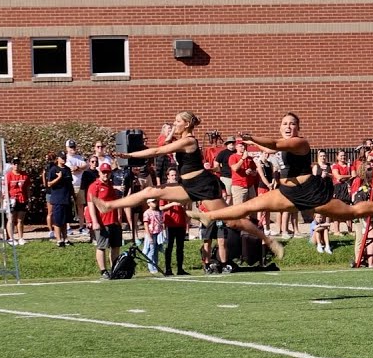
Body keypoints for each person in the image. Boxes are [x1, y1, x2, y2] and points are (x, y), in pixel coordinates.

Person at [90, 111, 286, 260]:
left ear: (186, 124)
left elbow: (158, 150)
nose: (174, 125)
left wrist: (130, 156)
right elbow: (163, 143)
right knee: (150, 191)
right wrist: (168, 136)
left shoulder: (189, 141)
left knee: (232, 220)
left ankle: (267, 239)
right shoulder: (181, 139)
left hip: (202, 184)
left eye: (177, 122)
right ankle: (108, 205)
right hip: (187, 185)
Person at [189, 114, 373, 236]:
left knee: (349, 213)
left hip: (309, 190)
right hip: (287, 191)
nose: (288, 126)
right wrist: (252, 145)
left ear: (298, 128)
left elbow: (276, 143)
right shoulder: (281, 144)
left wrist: (254, 138)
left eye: (292, 124)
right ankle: (211, 216)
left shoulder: (300, 142)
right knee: (251, 206)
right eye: (285, 123)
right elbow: (272, 147)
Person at [87, 164, 123, 279]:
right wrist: (94, 221)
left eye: (107, 172)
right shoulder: (94, 186)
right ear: (99, 173)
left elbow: (114, 203)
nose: (105, 174)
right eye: (103, 172)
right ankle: (103, 270)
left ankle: (114, 268)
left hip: (113, 220)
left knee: (115, 246)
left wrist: (117, 217)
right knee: (102, 246)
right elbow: (90, 204)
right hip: (103, 221)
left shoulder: (110, 185)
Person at [44, 153, 73, 247]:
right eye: (62, 158)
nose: (63, 159)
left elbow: (70, 184)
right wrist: (59, 177)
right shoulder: (54, 169)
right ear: (58, 159)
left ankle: (65, 238)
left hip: (66, 198)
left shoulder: (68, 169)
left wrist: (73, 195)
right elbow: (49, 184)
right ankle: (59, 240)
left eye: (65, 157)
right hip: (57, 198)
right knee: (58, 220)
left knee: (65, 220)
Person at [6, 157, 30, 246]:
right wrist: (7, 199)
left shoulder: (24, 175)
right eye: (14, 164)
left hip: (22, 199)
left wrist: (29, 199)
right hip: (12, 199)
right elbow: (6, 188)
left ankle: (20, 237)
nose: (16, 165)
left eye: (18, 164)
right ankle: (11, 238)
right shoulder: (9, 175)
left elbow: (27, 188)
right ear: (12, 165)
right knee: (11, 219)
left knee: (20, 219)